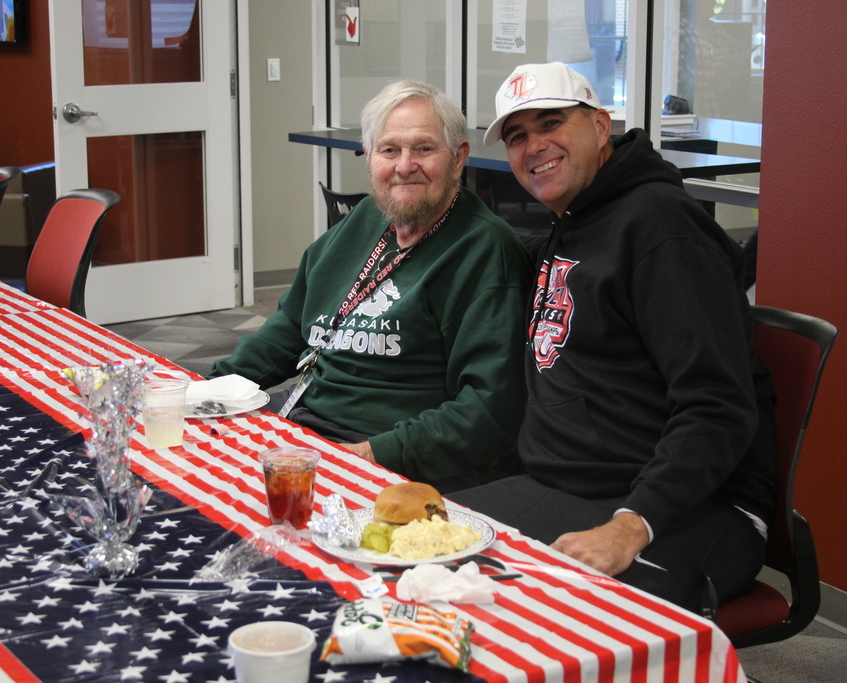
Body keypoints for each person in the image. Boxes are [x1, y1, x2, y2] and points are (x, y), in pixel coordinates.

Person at [448, 62, 777, 614]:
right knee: (413, 552)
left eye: (550, 123)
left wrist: (630, 527)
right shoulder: (573, 220)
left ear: (601, 127)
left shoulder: (662, 229)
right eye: (517, 136)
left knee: (525, 615)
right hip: (568, 489)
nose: (534, 146)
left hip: (687, 506)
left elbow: (717, 407)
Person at [210, 80, 532, 493]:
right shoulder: (363, 220)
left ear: (458, 158)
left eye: (424, 148)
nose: (404, 165)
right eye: (389, 150)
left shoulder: (485, 251)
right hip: (306, 426)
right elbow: (291, 325)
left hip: (393, 461)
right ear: (370, 160)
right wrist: (211, 389)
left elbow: (490, 408)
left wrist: (370, 454)